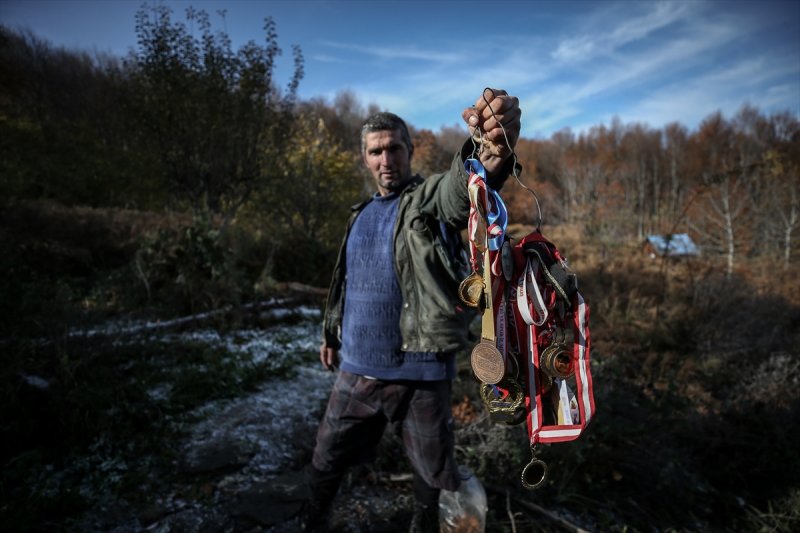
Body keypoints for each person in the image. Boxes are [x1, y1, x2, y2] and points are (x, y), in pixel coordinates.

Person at [300, 88, 522, 532]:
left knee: (432, 470)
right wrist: (330, 335)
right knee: (326, 458)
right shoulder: (358, 214)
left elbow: (460, 193)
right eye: (375, 151)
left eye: (394, 148)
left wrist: (489, 155)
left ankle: (422, 526)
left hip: (421, 372)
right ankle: (312, 523)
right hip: (358, 368)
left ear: (409, 150)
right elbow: (346, 280)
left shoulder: (422, 201)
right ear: (364, 158)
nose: (386, 160)